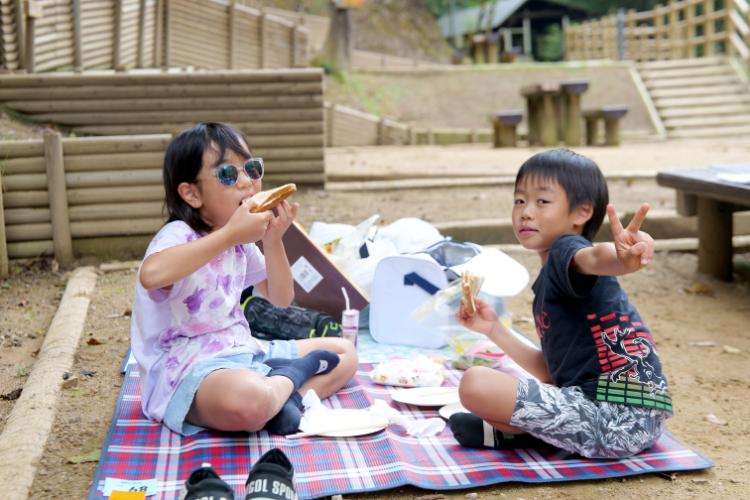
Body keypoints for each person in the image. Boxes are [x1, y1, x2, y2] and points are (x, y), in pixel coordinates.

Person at [130, 122, 357, 436]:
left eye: (251, 168)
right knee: (249, 403)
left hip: (241, 350)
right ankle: (289, 382)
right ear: (192, 193)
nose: (246, 182)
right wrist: (229, 234)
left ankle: (283, 399)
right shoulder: (178, 235)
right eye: (227, 174)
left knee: (345, 352)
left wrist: (274, 240)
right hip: (185, 369)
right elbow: (152, 275)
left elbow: (281, 298)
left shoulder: (240, 243)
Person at [449, 149, 672, 459]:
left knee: (475, 384)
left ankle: (525, 435)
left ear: (581, 213)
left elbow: (595, 257)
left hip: (621, 416)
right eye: (519, 201)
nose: (526, 212)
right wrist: (493, 329)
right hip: (613, 415)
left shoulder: (569, 251)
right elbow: (553, 371)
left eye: (542, 201)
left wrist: (626, 258)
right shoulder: (550, 282)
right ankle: (527, 435)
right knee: (488, 401)